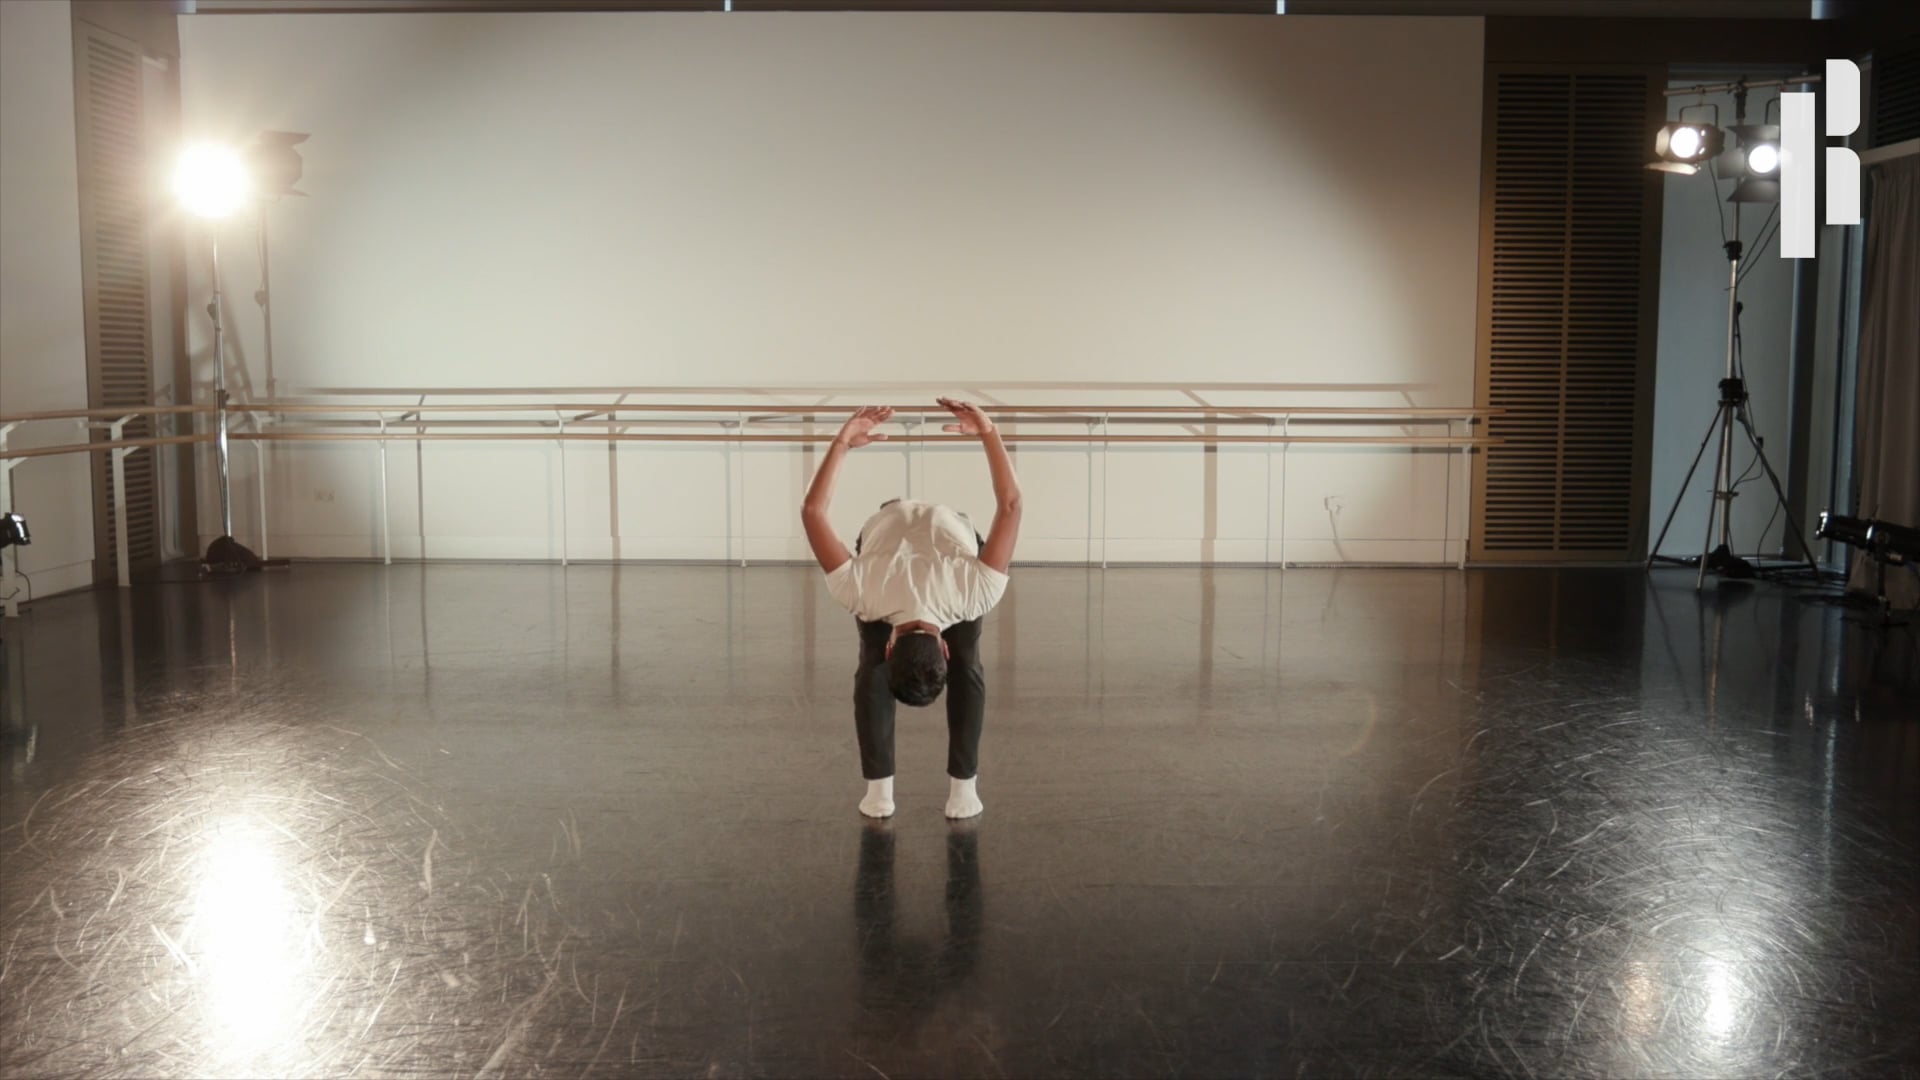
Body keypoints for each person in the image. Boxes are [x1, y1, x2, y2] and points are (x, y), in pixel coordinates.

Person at [801, 398, 1022, 820]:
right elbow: (812, 511)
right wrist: (842, 442)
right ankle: (962, 790)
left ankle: (881, 792)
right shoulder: (861, 592)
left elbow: (1012, 505)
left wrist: (989, 432)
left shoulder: (974, 592)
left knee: (877, 670)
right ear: (943, 650)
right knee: (968, 665)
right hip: (938, 535)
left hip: (905, 543)